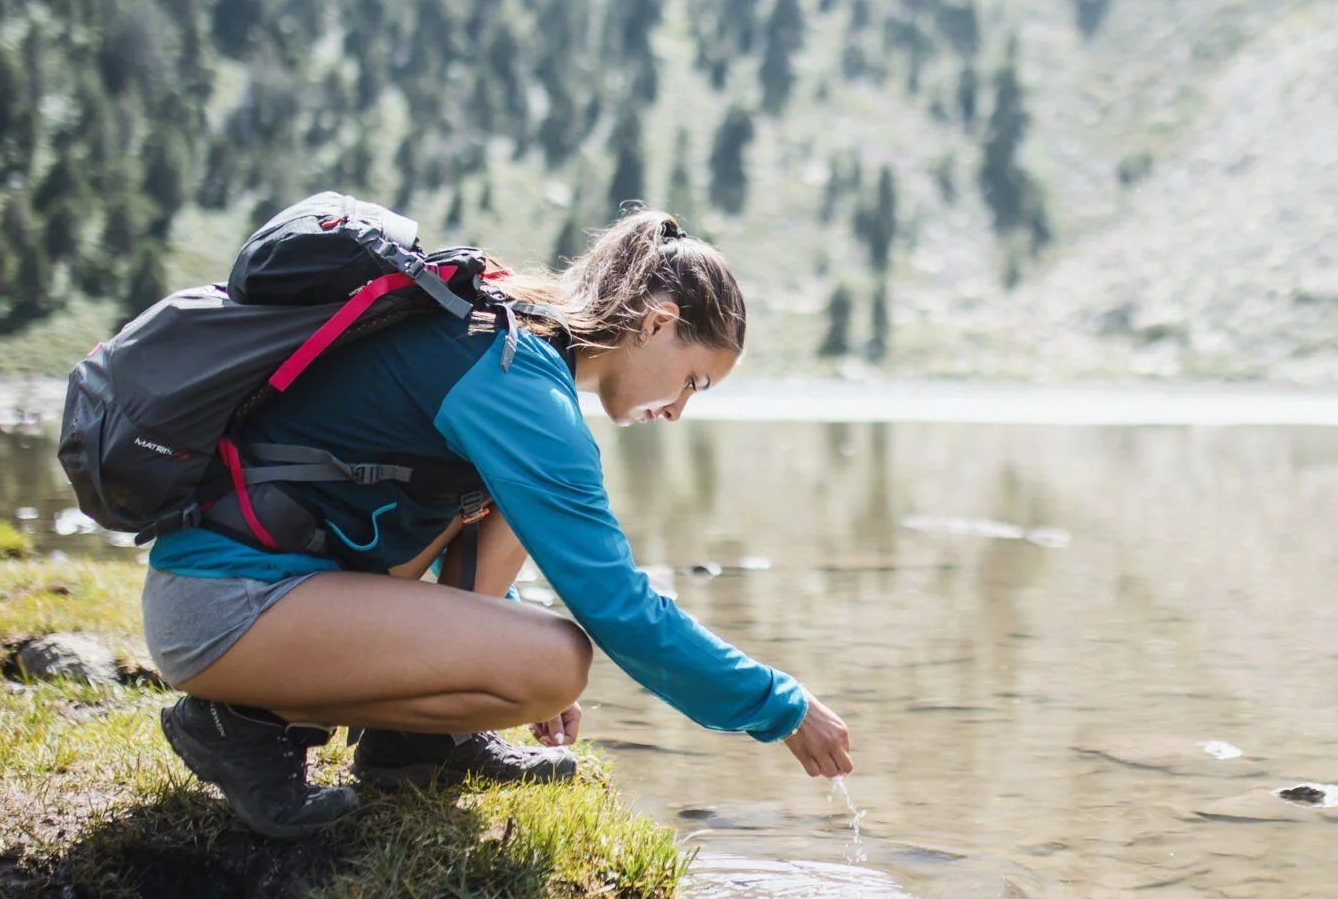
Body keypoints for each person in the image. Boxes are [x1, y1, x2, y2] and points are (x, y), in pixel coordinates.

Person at [141, 207, 852, 837]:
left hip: (256, 587)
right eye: (692, 380)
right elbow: (620, 610)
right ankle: (240, 725)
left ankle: (420, 745)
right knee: (556, 662)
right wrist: (779, 705)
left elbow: (451, 522)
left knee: (515, 528)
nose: (678, 410)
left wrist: (482, 655)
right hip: (227, 607)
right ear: (657, 321)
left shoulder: (508, 341)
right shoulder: (517, 377)